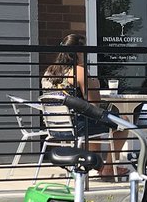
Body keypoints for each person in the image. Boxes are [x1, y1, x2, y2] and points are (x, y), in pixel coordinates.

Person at [41, 33, 127, 179]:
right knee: (123, 122)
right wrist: (95, 83)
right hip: (77, 126)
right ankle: (108, 168)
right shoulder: (78, 71)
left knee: (95, 122)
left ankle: (95, 165)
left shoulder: (49, 71)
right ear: (79, 52)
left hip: (56, 127)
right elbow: (94, 105)